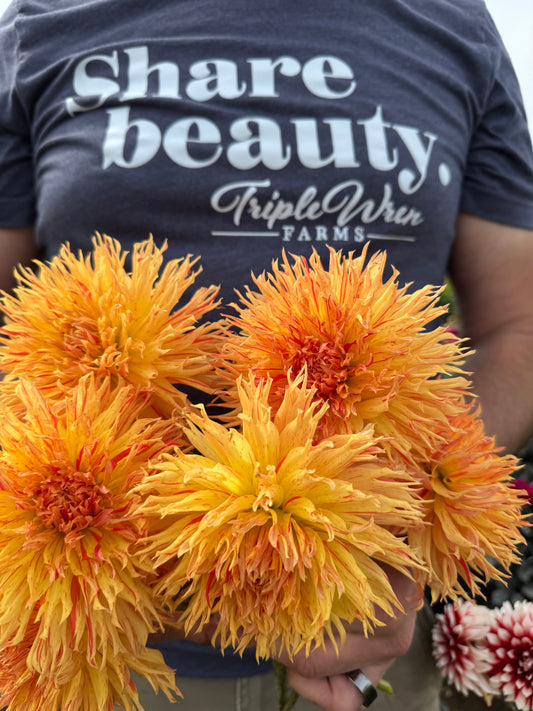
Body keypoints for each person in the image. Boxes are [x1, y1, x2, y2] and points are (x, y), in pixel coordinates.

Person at [1, 0, 532, 709]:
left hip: (362, 639)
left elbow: (517, 325)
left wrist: (402, 518)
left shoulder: (452, 24)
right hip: (96, 657)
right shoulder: (40, 25)